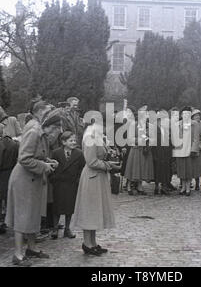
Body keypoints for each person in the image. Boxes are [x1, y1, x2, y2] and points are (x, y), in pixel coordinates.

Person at [6, 101, 60, 266]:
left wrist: (48, 161)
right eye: (48, 111)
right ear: (39, 112)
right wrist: (44, 166)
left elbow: (37, 154)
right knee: (22, 215)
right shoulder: (34, 130)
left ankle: (32, 247)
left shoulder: (38, 129)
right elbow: (24, 158)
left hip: (32, 178)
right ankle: (18, 254)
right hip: (24, 179)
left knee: (33, 214)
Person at [72, 120, 119, 256]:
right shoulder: (90, 138)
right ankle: (87, 243)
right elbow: (91, 161)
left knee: (95, 211)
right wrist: (109, 165)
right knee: (89, 211)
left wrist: (108, 161)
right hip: (92, 177)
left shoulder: (96, 136)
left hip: (98, 177)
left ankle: (93, 242)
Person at [49, 131, 85, 239]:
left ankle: (67, 229)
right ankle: (55, 229)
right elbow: (51, 166)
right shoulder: (56, 153)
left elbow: (81, 168)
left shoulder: (79, 153)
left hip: (71, 184)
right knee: (57, 207)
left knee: (70, 208)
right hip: (59, 184)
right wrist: (53, 179)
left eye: (74, 140)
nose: (74, 142)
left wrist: (78, 180)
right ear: (63, 142)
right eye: (71, 140)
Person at [124, 106, 154, 196]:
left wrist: (150, 140)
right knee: (133, 168)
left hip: (145, 150)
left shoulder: (149, 126)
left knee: (143, 169)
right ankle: (129, 185)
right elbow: (130, 139)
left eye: (146, 114)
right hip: (136, 149)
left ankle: (140, 186)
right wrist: (141, 140)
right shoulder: (134, 124)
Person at [172, 106, 200, 196]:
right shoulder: (178, 124)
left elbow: (196, 138)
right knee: (181, 169)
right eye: (184, 113)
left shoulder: (194, 123)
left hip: (189, 150)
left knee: (189, 169)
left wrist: (193, 150)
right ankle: (183, 186)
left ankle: (188, 187)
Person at [151, 109, 173, 195]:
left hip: (166, 151)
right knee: (157, 169)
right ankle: (156, 186)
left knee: (166, 169)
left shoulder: (166, 129)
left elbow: (169, 140)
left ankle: (164, 187)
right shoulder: (154, 128)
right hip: (157, 151)